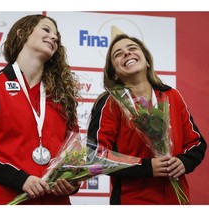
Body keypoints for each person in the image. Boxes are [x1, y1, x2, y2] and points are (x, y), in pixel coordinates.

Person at [0, 14, 81, 205]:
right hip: (8, 200)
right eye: (46, 29)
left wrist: (72, 181)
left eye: (56, 36)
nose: (54, 37)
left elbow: (74, 152)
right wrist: (19, 179)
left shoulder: (61, 96)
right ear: (22, 33)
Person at [87, 34, 207, 204]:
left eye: (132, 48)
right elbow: (95, 156)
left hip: (178, 201)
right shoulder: (110, 103)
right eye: (118, 54)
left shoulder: (172, 96)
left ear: (147, 60)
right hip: (133, 201)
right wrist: (146, 167)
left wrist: (183, 162)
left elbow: (196, 143)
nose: (127, 54)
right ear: (114, 73)